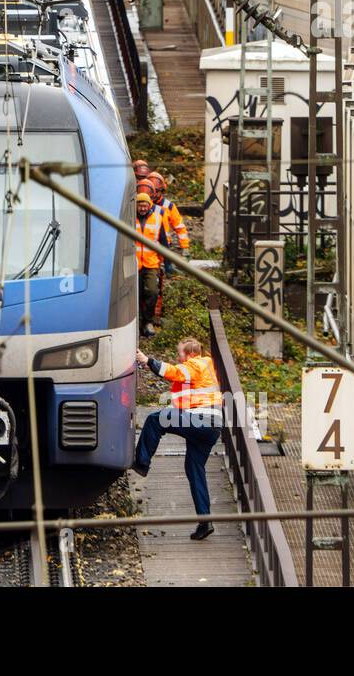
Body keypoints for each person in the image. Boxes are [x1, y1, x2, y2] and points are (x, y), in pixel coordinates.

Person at [134, 338, 224, 540]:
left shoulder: (195, 364)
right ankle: (205, 521)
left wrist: (148, 361)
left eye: (180, 353)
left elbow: (175, 372)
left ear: (191, 354)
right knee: (194, 469)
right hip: (212, 426)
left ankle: (141, 462)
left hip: (201, 419)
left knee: (156, 420)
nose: (178, 357)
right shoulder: (208, 365)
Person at [133, 182, 165, 336]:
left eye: (145, 205)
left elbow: (164, 242)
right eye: (140, 205)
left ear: (150, 205)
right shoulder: (130, 220)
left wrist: (166, 262)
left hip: (151, 263)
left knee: (152, 292)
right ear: (136, 206)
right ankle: (137, 323)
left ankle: (148, 321)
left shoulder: (158, 219)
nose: (143, 208)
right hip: (134, 264)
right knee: (136, 295)